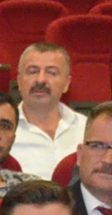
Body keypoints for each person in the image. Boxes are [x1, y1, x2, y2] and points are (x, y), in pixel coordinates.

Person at [7, 41, 84, 176]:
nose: (41, 80)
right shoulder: (2, 131)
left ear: (67, 83)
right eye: (33, 71)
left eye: (51, 73)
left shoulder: (87, 129)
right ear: (19, 81)